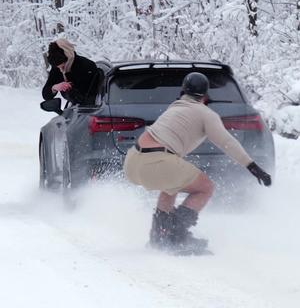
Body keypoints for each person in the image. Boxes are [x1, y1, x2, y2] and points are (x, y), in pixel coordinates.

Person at [123, 72, 272, 252]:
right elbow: (227, 142)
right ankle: (176, 235)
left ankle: (159, 236)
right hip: (158, 161)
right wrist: (252, 167)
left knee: (171, 184)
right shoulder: (206, 114)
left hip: (132, 162)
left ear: (183, 91)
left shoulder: (175, 106)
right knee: (205, 187)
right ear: (205, 95)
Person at [42, 39, 102, 105]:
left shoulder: (86, 66)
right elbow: (45, 94)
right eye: (58, 67)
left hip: (92, 108)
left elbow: (88, 96)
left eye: (63, 66)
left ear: (69, 57)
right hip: (74, 108)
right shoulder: (57, 68)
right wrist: (54, 87)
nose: (61, 69)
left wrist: (69, 89)